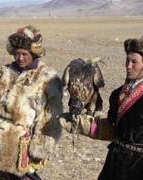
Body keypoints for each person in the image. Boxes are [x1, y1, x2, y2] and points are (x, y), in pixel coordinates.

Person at [0, 25, 63, 180]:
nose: (20, 58)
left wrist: (40, 147)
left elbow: (51, 118)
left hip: (23, 145)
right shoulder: (5, 72)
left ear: (33, 53)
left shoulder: (47, 79)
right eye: (16, 54)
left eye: (24, 54)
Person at [60, 36, 143, 180]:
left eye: (134, 62)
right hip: (114, 164)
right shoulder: (118, 94)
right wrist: (81, 125)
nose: (128, 66)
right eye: (127, 60)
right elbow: (112, 130)